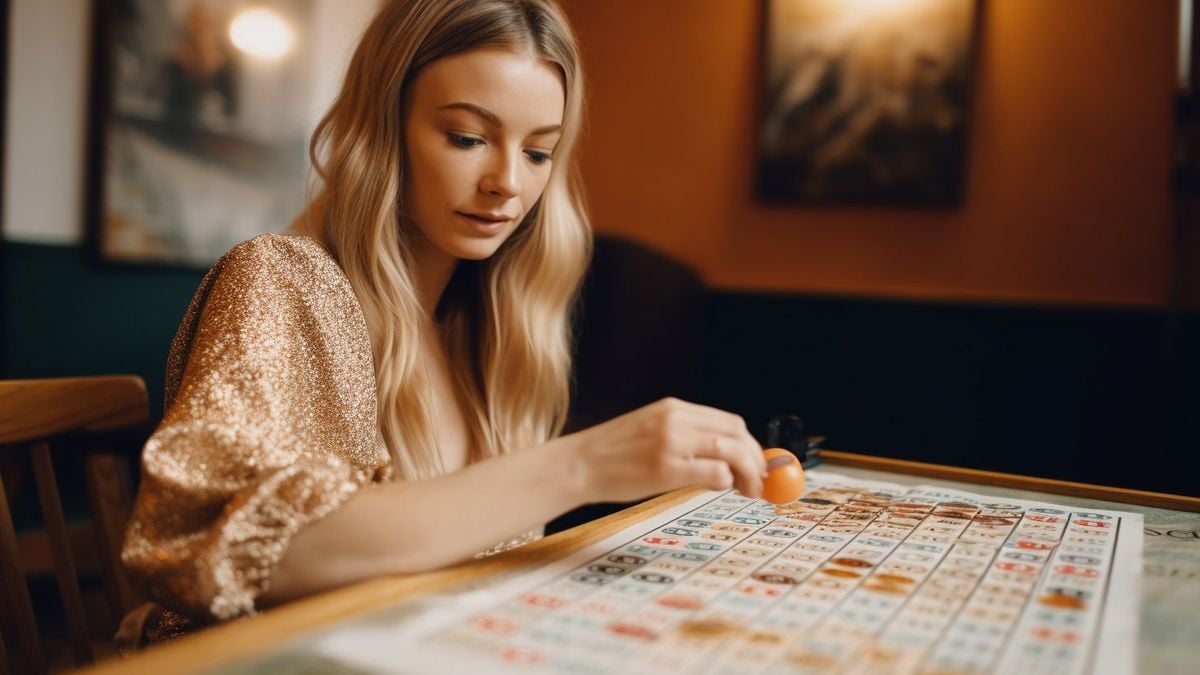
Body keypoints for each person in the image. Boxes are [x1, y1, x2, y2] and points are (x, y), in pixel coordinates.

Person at [118, 0, 766, 646]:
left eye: (539, 152)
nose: (507, 183)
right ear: (384, 124)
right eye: (467, 138)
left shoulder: (485, 320)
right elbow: (221, 550)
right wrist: (581, 466)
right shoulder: (281, 276)